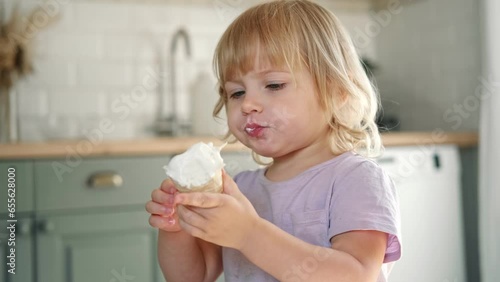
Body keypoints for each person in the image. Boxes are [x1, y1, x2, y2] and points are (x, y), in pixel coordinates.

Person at [146, 0, 401, 281]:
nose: (248, 105)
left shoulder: (356, 180)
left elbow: (356, 275)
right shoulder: (241, 189)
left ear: (336, 90)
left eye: (274, 85)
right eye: (237, 93)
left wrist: (249, 234)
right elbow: (194, 276)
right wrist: (177, 229)